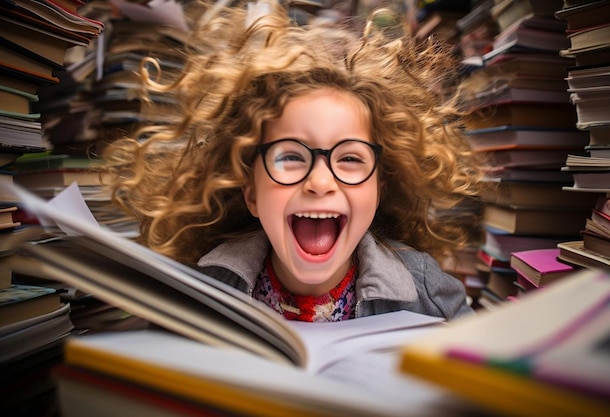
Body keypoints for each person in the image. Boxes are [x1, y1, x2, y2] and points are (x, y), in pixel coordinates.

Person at [102, 0, 486, 322]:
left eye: (350, 158)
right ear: (251, 191)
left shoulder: (428, 293)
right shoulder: (198, 291)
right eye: (290, 156)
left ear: (379, 189)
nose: (320, 182)